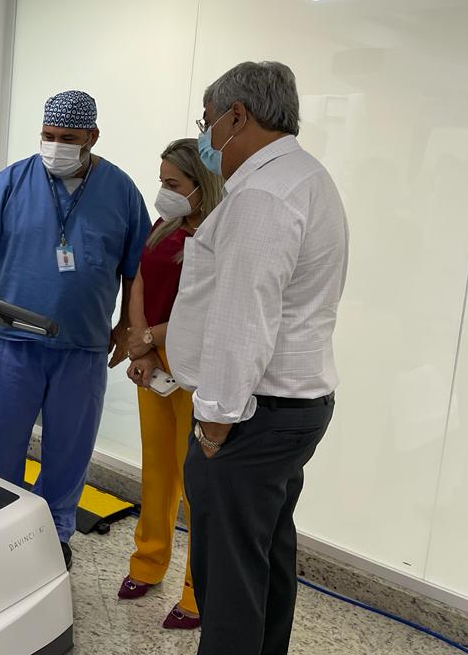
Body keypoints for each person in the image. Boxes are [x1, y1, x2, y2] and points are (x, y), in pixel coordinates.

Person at [167, 61, 349, 655]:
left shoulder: (264, 196)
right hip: (287, 406)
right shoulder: (304, 176)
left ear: (237, 116)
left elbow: (243, 315)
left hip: (252, 414)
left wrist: (215, 422)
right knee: (263, 560)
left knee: (229, 582)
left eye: (207, 122)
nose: (205, 137)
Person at [0, 90, 151, 569]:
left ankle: (55, 531)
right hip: (11, 342)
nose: (55, 146)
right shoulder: (13, 181)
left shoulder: (120, 192)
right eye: (48, 135)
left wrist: (129, 326)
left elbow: (137, 267)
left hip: (83, 346)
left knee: (68, 451)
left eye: (68, 138)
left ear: (92, 137)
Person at [118, 138, 223, 630]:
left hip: (196, 365)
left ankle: (197, 592)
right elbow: (140, 278)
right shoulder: (165, 225)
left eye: (173, 184)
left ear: (202, 186)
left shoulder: (220, 235)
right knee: (157, 470)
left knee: (197, 486)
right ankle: (148, 561)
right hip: (153, 358)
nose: (163, 192)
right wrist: (141, 347)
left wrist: (148, 339)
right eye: (161, 181)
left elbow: (203, 310)